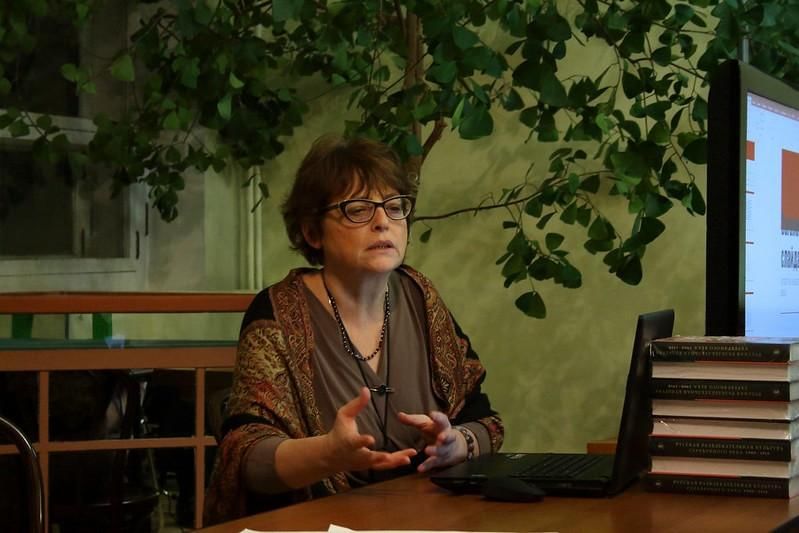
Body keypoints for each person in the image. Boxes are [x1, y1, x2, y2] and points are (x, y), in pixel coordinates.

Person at [203, 134, 504, 525]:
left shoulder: (421, 296)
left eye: (394, 207)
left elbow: (487, 422)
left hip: (422, 520)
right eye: (358, 210)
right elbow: (244, 456)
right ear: (312, 232)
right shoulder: (277, 311)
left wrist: (455, 444)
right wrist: (326, 454)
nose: (383, 222)